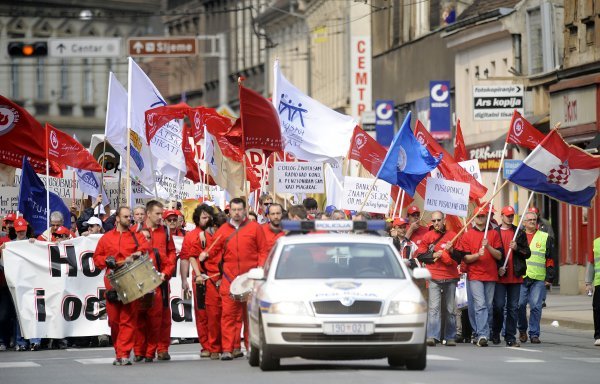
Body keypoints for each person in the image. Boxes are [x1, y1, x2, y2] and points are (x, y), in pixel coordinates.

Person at [201, 197, 267, 360]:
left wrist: (260, 268)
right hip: (229, 279)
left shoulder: (255, 228)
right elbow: (213, 251)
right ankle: (228, 349)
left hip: (251, 278)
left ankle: (252, 348)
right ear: (229, 211)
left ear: (244, 210)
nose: (236, 213)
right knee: (228, 316)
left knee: (251, 317)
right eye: (234, 210)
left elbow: (263, 251)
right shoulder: (223, 230)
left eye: (239, 210)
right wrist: (206, 254)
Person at [92, 206, 152, 366]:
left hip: (130, 279)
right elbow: (96, 258)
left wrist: (138, 253)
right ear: (117, 218)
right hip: (112, 280)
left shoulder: (136, 235)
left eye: (129, 216)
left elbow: (146, 248)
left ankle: (123, 353)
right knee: (114, 320)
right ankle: (120, 351)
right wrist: (106, 260)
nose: (129, 219)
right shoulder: (106, 238)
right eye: (126, 216)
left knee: (128, 318)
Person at [453, 205, 503, 347]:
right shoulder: (468, 235)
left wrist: (488, 247)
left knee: (487, 306)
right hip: (475, 275)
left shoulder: (493, 234)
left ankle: (478, 333)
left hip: (491, 275)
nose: (481, 218)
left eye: (483, 216)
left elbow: (499, 255)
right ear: (474, 218)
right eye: (479, 216)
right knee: (480, 305)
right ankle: (482, 334)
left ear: (487, 217)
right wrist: (477, 255)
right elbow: (465, 258)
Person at [138, 200, 177, 361]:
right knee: (140, 317)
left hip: (161, 282)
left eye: (162, 213)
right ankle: (140, 350)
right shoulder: (137, 231)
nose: (161, 217)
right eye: (158, 214)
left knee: (163, 317)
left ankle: (161, 349)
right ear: (148, 214)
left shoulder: (166, 232)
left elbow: (172, 254)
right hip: (142, 282)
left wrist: (166, 274)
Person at [179, 204, 219, 359]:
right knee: (202, 313)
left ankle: (217, 345)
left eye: (209, 216)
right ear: (197, 218)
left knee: (215, 313)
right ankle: (206, 346)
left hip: (215, 278)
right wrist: (184, 280)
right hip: (200, 280)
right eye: (204, 217)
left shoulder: (216, 233)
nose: (207, 219)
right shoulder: (190, 236)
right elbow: (185, 258)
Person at [417, 211, 459, 346]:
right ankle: (433, 336)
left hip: (450, 277)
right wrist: (434, 253)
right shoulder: (427, 236)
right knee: (434, 308)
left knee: (450, 309)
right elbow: (420, 255)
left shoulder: (454, 236)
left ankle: (450, 337)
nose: (436, 223)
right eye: (434, 221)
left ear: (444, 220)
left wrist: (451, 251)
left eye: (438, 220)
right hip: (434, 277)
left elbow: (460, 257)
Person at [492, 206, 531, 347]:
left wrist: (517, 249)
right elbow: (491, 255)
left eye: (511, 215)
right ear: (502, 216)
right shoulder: (494, 232)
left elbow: (527, 253)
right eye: (507, 215)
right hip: (500, 276)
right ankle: (495, 332)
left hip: (515, 276)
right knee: (498, 306)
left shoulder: (519, 233)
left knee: (513, 307)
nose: (509, 218)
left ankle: (510, 337)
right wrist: (498, 269)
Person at [517, 211, 554, 344]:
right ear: (524, 223)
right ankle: (522, 330)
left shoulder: (545, 237)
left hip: (538, 277)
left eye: (534, 219)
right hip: (521, 277)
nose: (533, 221)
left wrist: (549, 277)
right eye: (530, 220)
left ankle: (534, 334)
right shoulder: (518, 236)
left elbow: (549, 258)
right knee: (520, 305)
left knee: (536, 306)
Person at [588, 236, 600, 346]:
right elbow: (591, 263)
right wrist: (588, 282)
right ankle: (598, 335)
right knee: (597, 308)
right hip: (599, 282)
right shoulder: (596, 243)